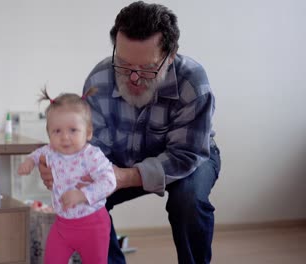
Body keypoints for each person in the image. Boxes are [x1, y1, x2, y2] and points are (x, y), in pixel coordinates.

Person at [38, 1, 222, 263]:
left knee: (188, 200)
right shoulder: (99, 80)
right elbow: (92, 149)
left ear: (170, 56)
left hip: (190, 157)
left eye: (147, 69)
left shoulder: (192, 81)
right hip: (121, 158)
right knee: (82, 198)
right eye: (123, 65)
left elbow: (186, 154)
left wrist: (123, 177)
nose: (134, 78)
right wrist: (63, 166)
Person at [18, 87, 117, 264]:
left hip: (93, 226)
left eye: (73, 130)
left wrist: (82, 195)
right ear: (49, 134)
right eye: (57, 131)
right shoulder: (51, 151)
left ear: (88, 132)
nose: (64, 137)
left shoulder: (91, 155)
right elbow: (37, 153)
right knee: (52, 260)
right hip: (62, 226)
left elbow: (109, 181)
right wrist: (29, 162)